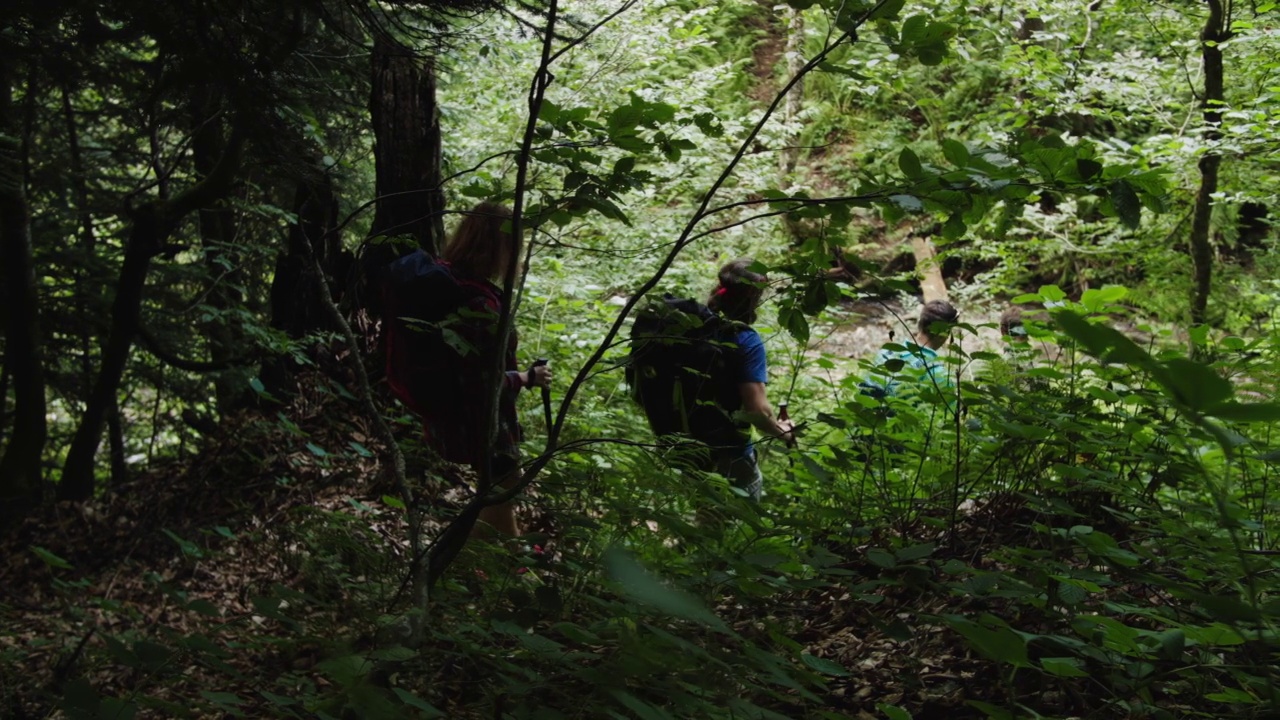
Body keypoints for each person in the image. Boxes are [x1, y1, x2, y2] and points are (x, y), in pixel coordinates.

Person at [391, 201, 551, 537]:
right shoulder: (477, 303)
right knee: (501, 495)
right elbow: (482, 383)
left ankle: (486, 570)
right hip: (482, 425)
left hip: (458, 420)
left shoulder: (451, 283)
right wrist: (526, 378)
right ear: (500, 249)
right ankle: (504, 574)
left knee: (495, 500)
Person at [700, 258, 796, 500]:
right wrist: (784, 432)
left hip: (689, 442)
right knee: (741, 521)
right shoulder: (745, 339)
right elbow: (757, 411)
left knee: (707, 515)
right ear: (755, 297)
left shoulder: (698, 326)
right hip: (730, 450)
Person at [861, 299, 959, 407]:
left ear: (920, 324)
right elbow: (949, 416)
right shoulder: (938, 374)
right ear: (944, 334)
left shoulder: (887, 352)